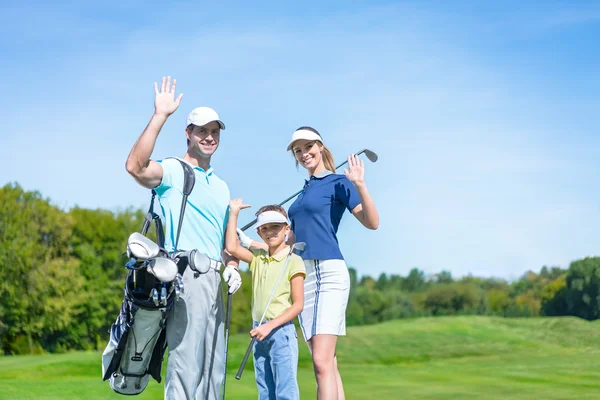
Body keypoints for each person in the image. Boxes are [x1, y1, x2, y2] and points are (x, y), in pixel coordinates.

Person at [125, 76, 242, 400]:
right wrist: (160, 115)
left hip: (216, 279)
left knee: (213, 369)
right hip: (186, 274)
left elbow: (225, 241)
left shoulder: (221, 187)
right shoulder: (173, 170)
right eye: (202, 131)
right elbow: (135, 167)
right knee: (187, 365)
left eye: (214, 132)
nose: (209, 137)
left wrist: (231, 264)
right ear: (188, 133)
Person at [286, 126, 379, 399]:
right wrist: (248, 242)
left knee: (321, 361)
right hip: (303, 275)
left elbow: (372, 222)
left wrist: (360, 185)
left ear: (321, 146)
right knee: (327, 361)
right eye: (298, 151)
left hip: (328, 271)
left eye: (308, 147)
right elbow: (292, 238)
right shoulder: (303, 192)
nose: (304, 154)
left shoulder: (339, 182)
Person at [225, 199, 306, 400]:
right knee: (265, 392)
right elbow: (231, 248)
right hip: (258, 331)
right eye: (264, 228)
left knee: (285, 392)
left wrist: (269, 327)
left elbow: (298, 305)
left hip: (281, 332)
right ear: (259, 233)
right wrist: (233, 213)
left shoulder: (294, 260)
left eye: (275, 227)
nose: (270, 232)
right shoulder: (258, 258)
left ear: (287, 228)